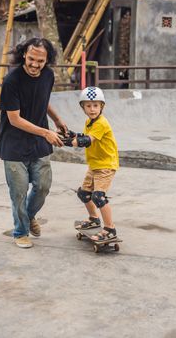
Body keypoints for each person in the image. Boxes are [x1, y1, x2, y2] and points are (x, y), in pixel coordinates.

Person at [0, 37, 67, 248]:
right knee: (18, 193)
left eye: (40, 60)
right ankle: (20, 232)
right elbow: (14, 119)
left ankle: (28, 217)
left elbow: (43, 100)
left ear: (47, 60)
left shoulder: (48, 75)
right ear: (23, 56)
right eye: (31, 59)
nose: (35, 65)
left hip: (38, 144)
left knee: (43, 186)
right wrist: (46, 132)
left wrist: (57, 120)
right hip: (14, 145)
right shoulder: (12, 81)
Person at [59, 87, 120, 241]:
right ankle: (94, 219)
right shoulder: (89, 122)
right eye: (88, 106)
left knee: (98, 197)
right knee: (84, 193)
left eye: (96, 105)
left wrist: (65, 142)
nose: (92, 109)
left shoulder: (101, 123)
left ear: (102, 107)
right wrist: (71, 134)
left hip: (106, 165)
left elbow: (86, 141)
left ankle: (110, 229)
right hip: (94, 164)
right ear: (83, 107)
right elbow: (84, 136)